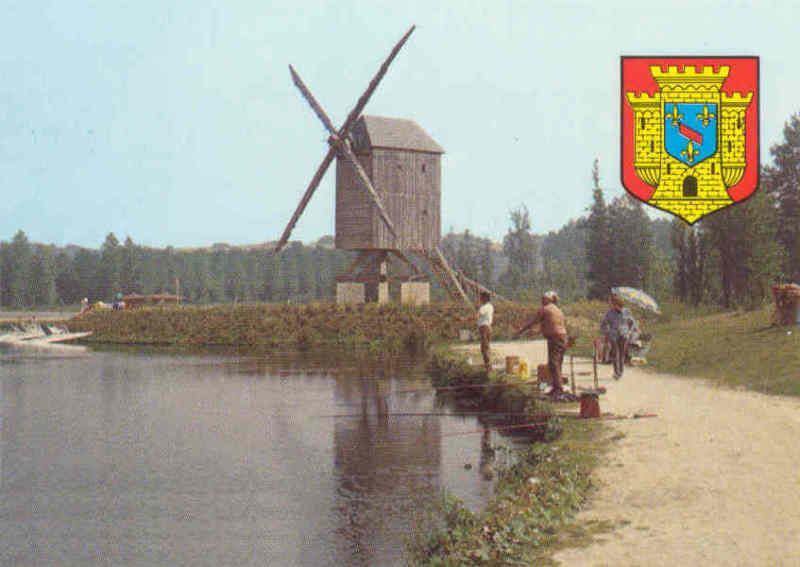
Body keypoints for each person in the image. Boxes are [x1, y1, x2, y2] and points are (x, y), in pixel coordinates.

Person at [513, 291, 568, 396]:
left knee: (553, 363)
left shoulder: (545, 309)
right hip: (562, 337)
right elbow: (549, 325)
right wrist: (534, 332)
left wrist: (520, 330)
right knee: (557, 363)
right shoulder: (557, 310)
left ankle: (558, 389)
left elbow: (533, 322)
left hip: (555, 338)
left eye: (543, 298)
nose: (541, 300)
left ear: (549, 299)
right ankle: (557, 387)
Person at [600, 294, 633, 379]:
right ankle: (616, 372)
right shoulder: (609, 313)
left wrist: (629, 331)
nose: (610, 305)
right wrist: (606, 332)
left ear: (616, 303)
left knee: (622, 353)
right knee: (615, 353)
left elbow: (631, 322)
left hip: (624, 334)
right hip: (613, 335)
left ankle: (620, 371)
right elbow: (603, 324)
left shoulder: (626, 311)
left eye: (611, 303)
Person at [476, 291, 494, 371]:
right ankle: (488, 364)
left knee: (484, 347)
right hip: (487, 327)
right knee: (486, 346)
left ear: (484, 298)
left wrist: (464, 319)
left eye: (481, 297)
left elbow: (477, 315)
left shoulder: (484, 307)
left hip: (484, 328)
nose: (480, 299)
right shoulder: (490, 306)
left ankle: (488, 365)